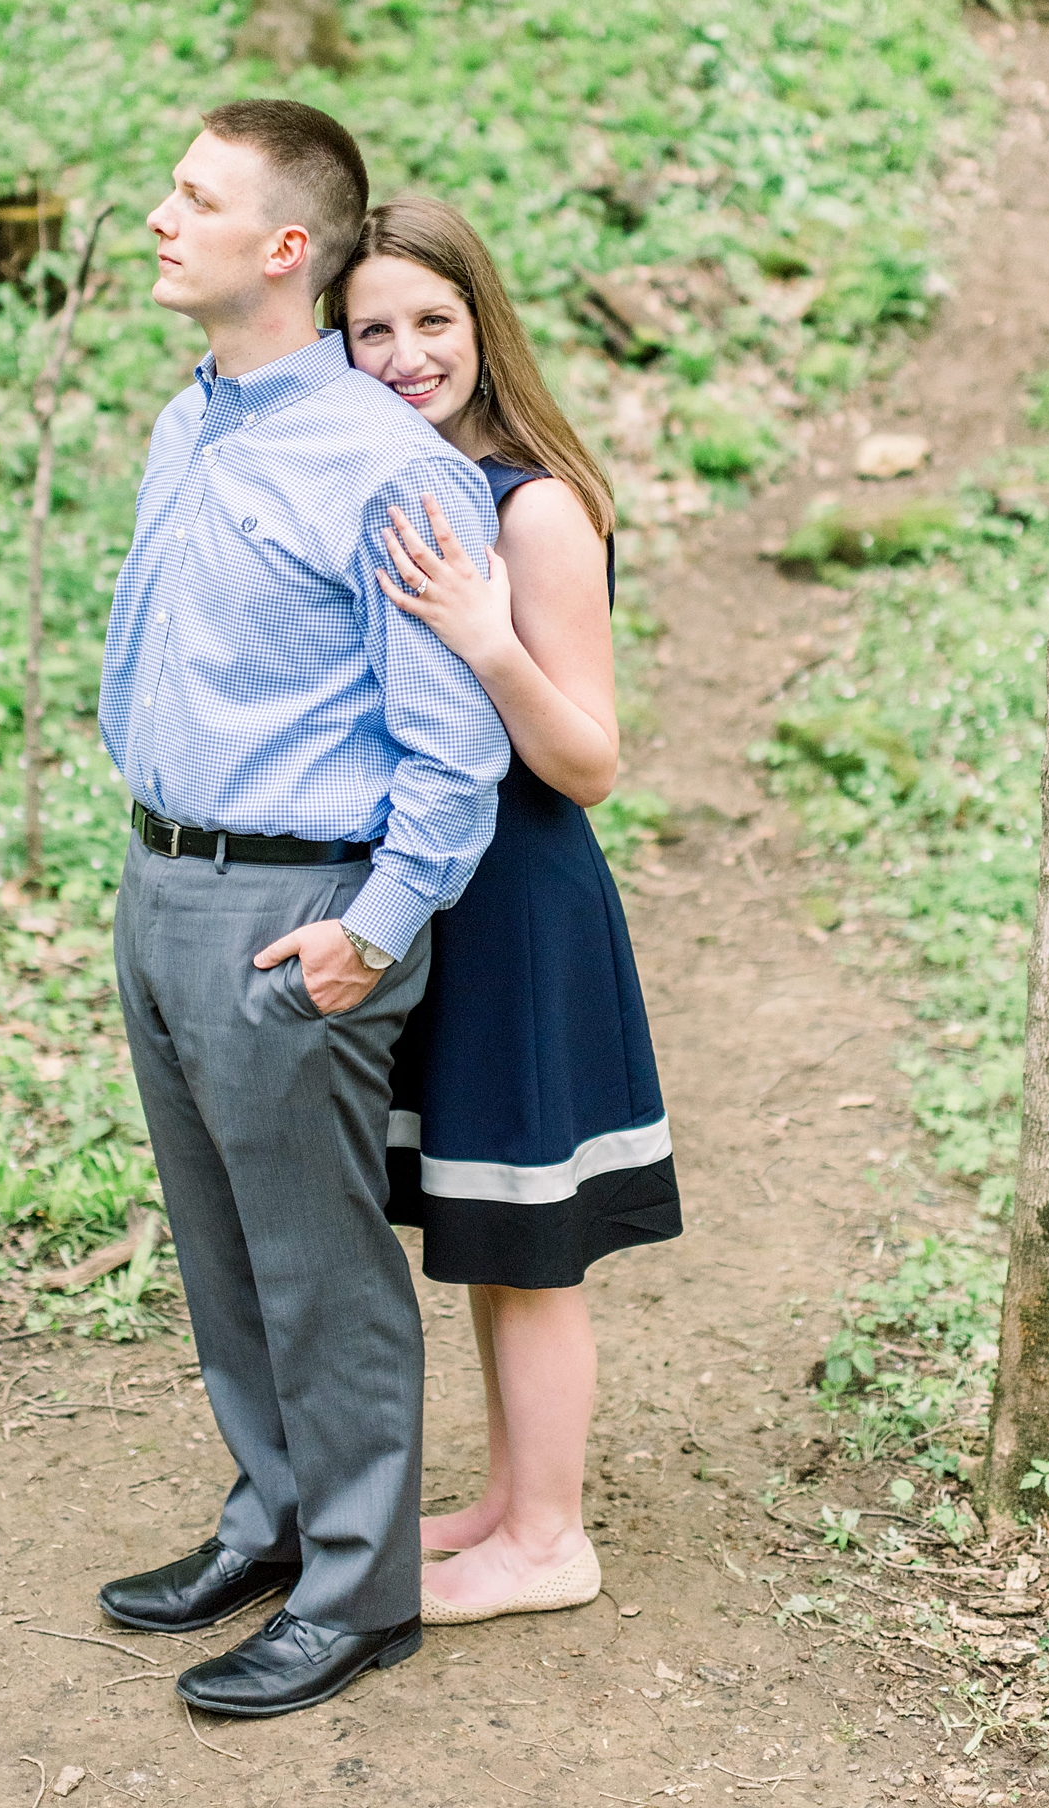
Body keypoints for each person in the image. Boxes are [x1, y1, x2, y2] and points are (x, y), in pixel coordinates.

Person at [96, 106, 510, 1718]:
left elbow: (450, 743)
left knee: (321, 1263)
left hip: (296, 913)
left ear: (285, 249)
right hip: (162, 884)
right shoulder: (182, 424)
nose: (156, 215)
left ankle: (355, 1589)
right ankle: (269, 1515)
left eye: (191, 198)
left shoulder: (388, 469)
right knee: (218, 1241)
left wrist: (376, 922)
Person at [322, 194, 682, 1626]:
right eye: (371, 331)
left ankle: (550, 1542)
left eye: (432, 323)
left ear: (484, 327)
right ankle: (504, 1498)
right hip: (437, 899)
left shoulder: (531, 501)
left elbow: (588, 759)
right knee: (479, 1226)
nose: (405, 354)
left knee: (529, 1245)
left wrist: (484, 639)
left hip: (524, 906)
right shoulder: (405, 479)